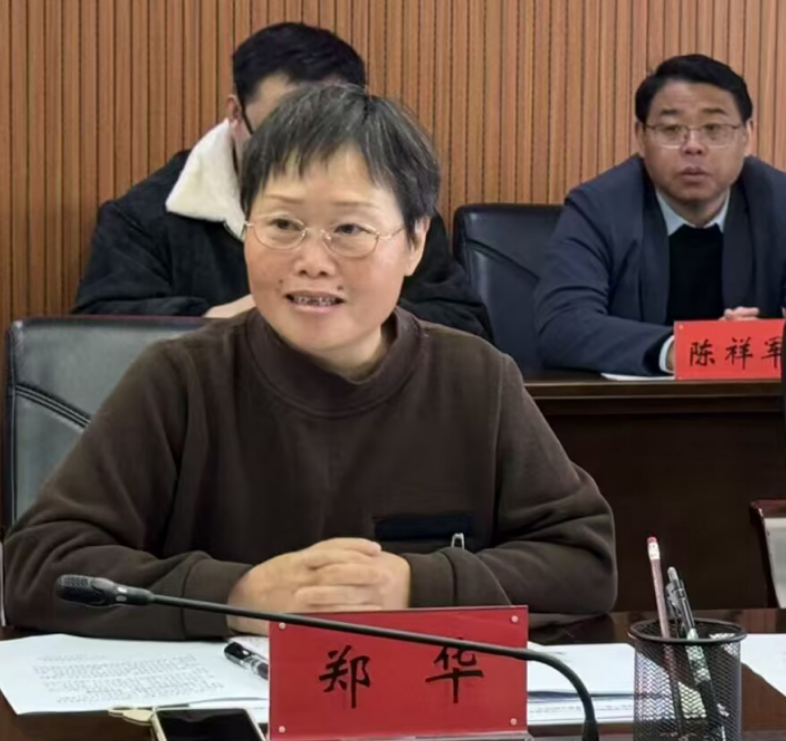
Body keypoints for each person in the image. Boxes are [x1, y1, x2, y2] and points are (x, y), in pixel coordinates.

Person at [4, 85, 616, 640]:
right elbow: (37, 564)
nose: (312, 260)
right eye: (283, 224)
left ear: (414, 243)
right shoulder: (180, 380)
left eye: (349, 229)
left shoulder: (476, 379)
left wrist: (416, 585)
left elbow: (583, 561)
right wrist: (235, 596)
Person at [73, 22, 492, 340]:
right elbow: (96, 337)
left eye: (326, 133)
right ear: (235, 115)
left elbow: (464, 326)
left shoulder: (390, 206)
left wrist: (346, 317)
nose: (302, 158)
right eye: (283, 224)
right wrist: (238, 318)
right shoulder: (145, 215)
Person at [534, 54, 786, 375]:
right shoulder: (599, 207)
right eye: (671, 129)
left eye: (714, 128)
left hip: (756, 403)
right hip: (638, 405)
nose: (693, 146)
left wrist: (756, 340)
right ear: (641, 137)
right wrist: (681, 349)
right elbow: (562, 325)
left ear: (747, 136)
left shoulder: (778, 203)